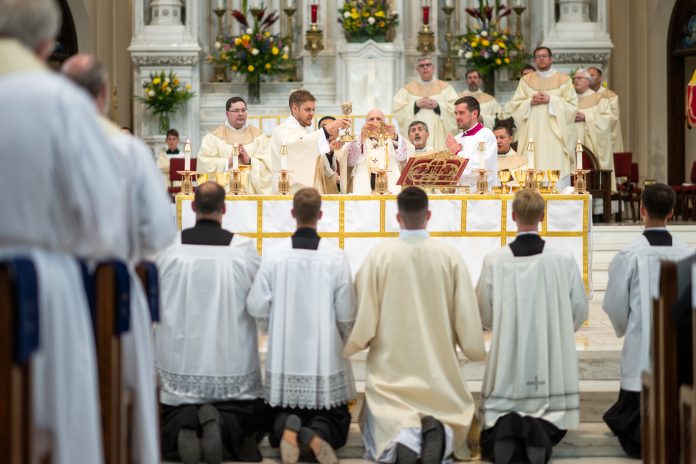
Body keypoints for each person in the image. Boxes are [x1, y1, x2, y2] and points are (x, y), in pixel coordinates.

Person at [0, 1, 127, 462]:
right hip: (44, 284)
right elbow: (101, 220)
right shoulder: (62, 103)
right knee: (49, 421)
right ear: (45, 43)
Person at [62, 52, 177, 464]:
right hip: (113, 293)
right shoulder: (126, 151)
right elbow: (162, 232)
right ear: (105, 94)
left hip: (51, 292)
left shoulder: (43, 141)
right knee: (122, 395)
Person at [344, 187, 486, 463]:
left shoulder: (379, 257)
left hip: (391, 378)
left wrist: (352, 344)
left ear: (398, 218)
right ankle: (440, 435)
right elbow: (468, 320)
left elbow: (363, 316)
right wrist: (474, 349)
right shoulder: (450, 257)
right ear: (428, 215)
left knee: (388, 423)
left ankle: (403, 440)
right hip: (439, 376)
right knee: (446, 413)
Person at [156, 182, 266, 464]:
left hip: (179, 362)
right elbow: (259, 301)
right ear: (224, 209)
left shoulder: (168, 248)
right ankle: (220, 424)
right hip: (230, 362)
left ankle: (184, 425)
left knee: (171, 407)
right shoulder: (243, 250)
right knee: (245, 411)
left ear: (192, 208)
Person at [476, 189, 588, 464]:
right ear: (543, 216)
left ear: (512, 216)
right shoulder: (562, 258)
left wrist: (498, 325)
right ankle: (537, 431)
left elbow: (483, 311)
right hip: (549, 353)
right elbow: (579, 309)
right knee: (551, 411)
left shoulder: (495, 259)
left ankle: (510, 429)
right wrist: (559, 329)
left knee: (498, 413)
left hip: (509, 354)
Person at [247, 188, 356, 464]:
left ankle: (289, 427)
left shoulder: (275, 255)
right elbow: (346, 313)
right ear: (320, 215)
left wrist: (274, 327)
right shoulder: (335, 257)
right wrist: (346, 339)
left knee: (275, 414)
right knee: (336, 420)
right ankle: (315, 434)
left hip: (285, 358)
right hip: (325, 358)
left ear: (293, 214)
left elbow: (256, 304)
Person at [602, 183, 694, 459]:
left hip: (642, 347)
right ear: (672, 211)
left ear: (641, 210)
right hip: (680, 350)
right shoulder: (688, 254)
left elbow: (615, 304)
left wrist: (628, 328)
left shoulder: (629, 254)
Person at [508, 47, 577, 183]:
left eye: (544, 56)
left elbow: (572, 106)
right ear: (535, 61)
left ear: (551, 59)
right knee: (532, 163)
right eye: (538, 56)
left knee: (555, 162)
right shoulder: (526, 80)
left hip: (555, 134)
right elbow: (515, 105)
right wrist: (529, 102)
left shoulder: (564, 80)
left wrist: (551, 100)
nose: (541, 58)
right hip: (532, 133)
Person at [269, 90, 349, 193]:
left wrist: (329, 151)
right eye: (307, 110)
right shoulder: (282, 130)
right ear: (294, 108)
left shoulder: (304, 132)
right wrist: (329, 127)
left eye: (313, 109)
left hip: (309, 193)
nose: (312, 114)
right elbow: (297, 150)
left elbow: (316, 164)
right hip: (290, 192)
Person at [197, 97, 272, 194]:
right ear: (227, 114)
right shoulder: (213, 137)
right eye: (236, 111)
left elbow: (268, 166)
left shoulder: (259, 137)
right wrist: (227, 162)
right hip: (223, 195)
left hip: (250, 195)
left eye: (243, 110)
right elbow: (204, 163)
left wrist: (249, 160)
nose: (241, 114)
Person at [393, 55, 458, 151]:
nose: (425, 68)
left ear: (433, 67)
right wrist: (415, 105)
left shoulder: (445, 87)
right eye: (422, 66)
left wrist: (438, 106)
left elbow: (456, 109)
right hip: (416, 134)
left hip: (438, 134)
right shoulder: (407, 89)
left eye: (428, 65)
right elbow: (397, 110)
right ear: (417, 69)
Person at [346, 108, 408, 194]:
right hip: (364, 184)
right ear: (366, 123)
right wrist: (362, 137)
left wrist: (394, 136)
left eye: (379, 119)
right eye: (371, 119)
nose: (375, 122)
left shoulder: (394, 138)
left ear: (384, 122)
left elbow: (403, 158)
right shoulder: (359, 140)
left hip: (391, 182)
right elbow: (351, 162)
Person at [573, 68, 615, 190]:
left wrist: (586, 117)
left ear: (587, 81)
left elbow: (606, 120)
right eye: (574, 78)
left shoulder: (599, 98)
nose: (576, 81)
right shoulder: (570, 100)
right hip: (573, 144)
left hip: (591, 145)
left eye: (579, 78)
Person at [446, 96, 498, 189]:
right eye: (456, 113)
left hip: (482, 196)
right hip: (460, 196)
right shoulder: (457, 139)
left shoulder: (486, 135)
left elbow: (479, 168)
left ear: (474, 113)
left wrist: (458, 153)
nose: (457, 117)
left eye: (461, 113)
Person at [587, 66, 625, 153]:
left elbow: (613, 118)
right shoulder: (582, 97)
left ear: (600, 78)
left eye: (592, 75)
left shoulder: (610, 96)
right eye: (587, 76)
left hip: (606, 139)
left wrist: (589, 119)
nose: (589, 78)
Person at [318, 115, 342, 193]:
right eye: (325, 127)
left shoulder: (345, 147)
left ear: (338, 131)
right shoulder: (315, 149)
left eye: (333, 126)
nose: (330, 130)